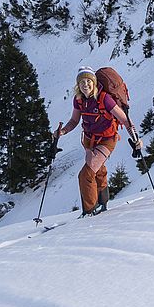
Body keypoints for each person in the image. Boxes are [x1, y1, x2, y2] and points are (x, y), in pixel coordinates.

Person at [55, 66, 139, 216]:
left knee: (85, 174)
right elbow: (74, 120)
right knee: (98, 171)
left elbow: (125, 120)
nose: (85, 84)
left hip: (107, 140)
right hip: (89, 140)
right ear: (78, 85)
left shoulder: (104, 99)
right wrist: (62, 132)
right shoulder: (79, 99)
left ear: (93, 82)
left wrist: (136, 139)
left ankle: (89, 212)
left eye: (88, 81)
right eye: (82, 82)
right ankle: (103, 204)